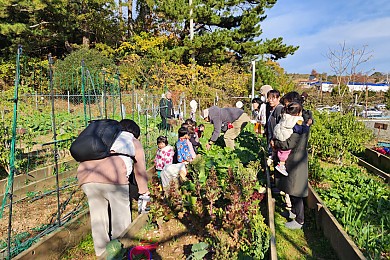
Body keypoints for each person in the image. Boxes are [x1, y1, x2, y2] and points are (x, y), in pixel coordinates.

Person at [76, 120, 149, 257]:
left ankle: (101, 253)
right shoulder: (131, 140)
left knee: (98, 218)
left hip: (86, 177)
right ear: (135, 133)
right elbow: (140, 170)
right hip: (114, 179)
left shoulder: (104, 136)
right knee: (120, 218)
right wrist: (144, 191)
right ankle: (120, 251)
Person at [273, 102, 309, 176]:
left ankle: (273, 157)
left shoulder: (284, 116)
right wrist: (307, 125)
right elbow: (299, 130)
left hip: (279, 135)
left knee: (280, 150)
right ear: (298, 113)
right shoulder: (297, 121)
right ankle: (281, 165)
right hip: (285, 138)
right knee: (285, 153)